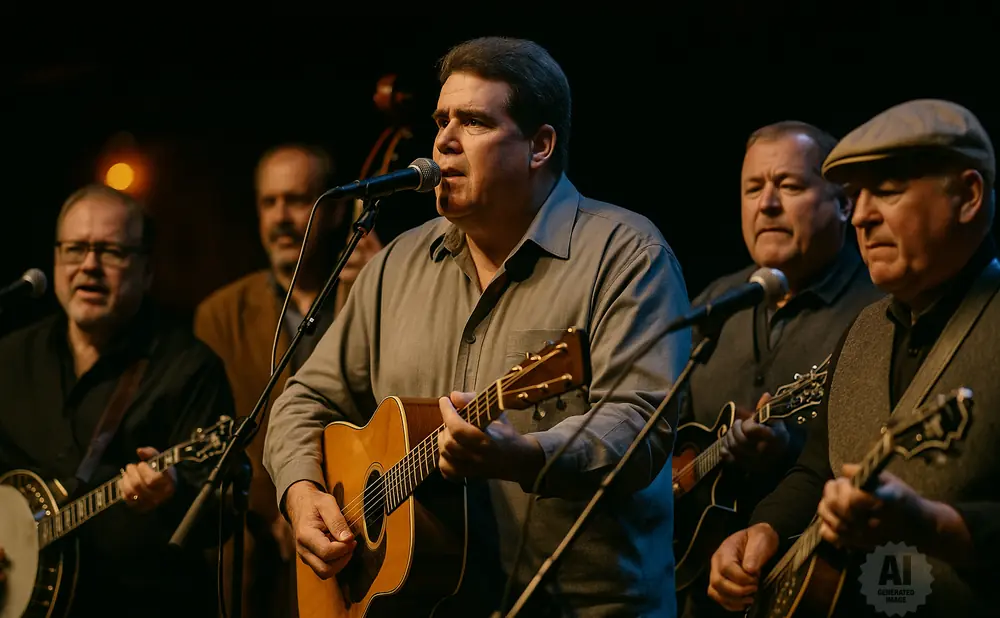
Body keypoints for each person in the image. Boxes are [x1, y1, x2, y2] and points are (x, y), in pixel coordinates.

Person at [263, 36, 691, 617]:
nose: (442, 140)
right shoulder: (393, 266)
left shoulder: (627, 255)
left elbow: (641, 424)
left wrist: (523, 455)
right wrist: (301, 491)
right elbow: (303, 397)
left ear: (539, 145)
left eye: (473, 121)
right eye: (441, 120)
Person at [707, 99, 999, 617]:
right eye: (856, 195)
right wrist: (764, 529)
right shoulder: (865, 328)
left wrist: (932, 525)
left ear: (969, 196)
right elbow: (818, 465)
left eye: (887, 191)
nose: (862, 215)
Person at [0, 184, 234, 618]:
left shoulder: (188, 367)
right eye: (75, 249)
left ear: (146, 271)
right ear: (54, 259)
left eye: (110, 252)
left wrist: (174, 491)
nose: (89, 266)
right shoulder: (11, 357)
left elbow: (223, 512)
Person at [677, 121, 883, 616]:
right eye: (753, 188)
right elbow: (664, 428)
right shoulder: (715, 304)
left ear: (845, 204)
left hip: (823, 591)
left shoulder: (880, 312)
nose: (767, 204)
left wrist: (789, 450)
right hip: (697, 580)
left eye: (789, 185)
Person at [194, 143, 382, 617]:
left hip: (357, 527)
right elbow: (217, 435)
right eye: (268, 202)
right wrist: (284, 505)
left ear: (339, 211)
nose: (281, 217)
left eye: (298, 200)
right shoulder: (220, 314)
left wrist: (378, 282)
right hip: (254, 556)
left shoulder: (371, 289)